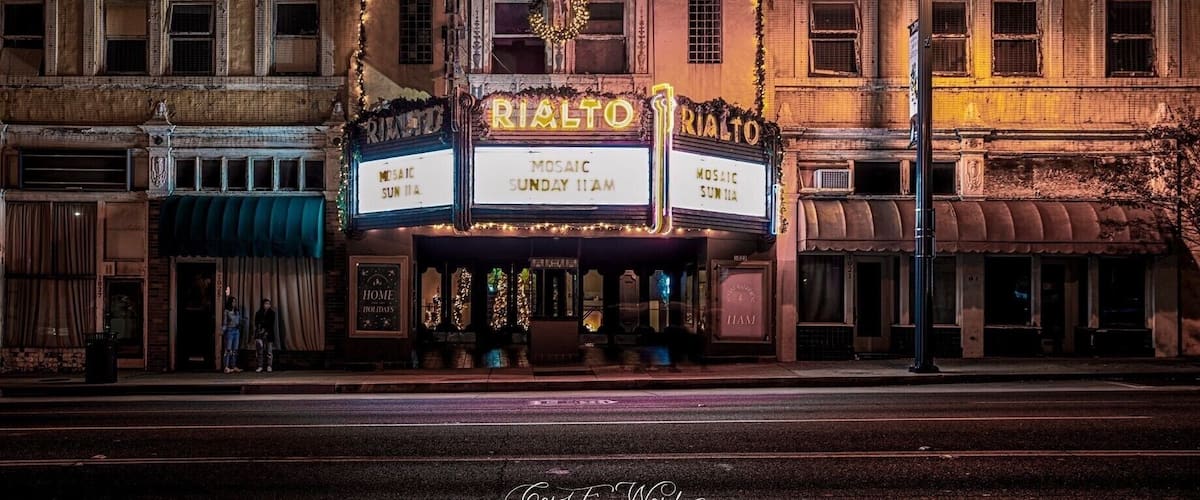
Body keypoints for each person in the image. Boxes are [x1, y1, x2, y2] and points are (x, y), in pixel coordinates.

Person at [254, 298, 277, 372]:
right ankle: (260, 366)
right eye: (266, 304)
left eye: (268, 304)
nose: (267, 305)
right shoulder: (258, 313)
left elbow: (271, 324)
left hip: (269, 333)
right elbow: (256, 323)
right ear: (263, 305)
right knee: (260, 351)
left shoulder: (272, 313)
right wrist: (260, 330)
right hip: (260, 334)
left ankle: (269, 366)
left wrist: (265, 330)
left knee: (269, 351)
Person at [222, 295, 243, 373]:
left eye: (235, 302)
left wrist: (241, 322)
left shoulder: (237, 311)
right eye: (233, 302)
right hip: (230, 331)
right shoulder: (227, 311)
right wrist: (223, 330)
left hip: (236, 331)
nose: (234, 303)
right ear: (230, 302)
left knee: (235, 350)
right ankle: (226, 367)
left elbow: (239, 320)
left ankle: (233, 366)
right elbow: (225, 322)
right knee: (228, 350)